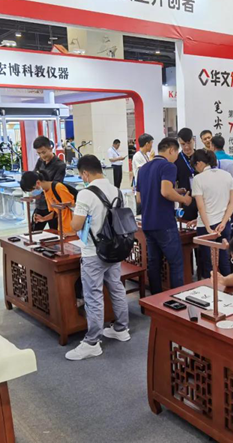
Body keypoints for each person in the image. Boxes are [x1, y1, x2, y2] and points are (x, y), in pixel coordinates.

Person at [66, 155, 130, 361]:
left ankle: (92, 342)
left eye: (81, 175)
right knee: (116, 287)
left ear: (85, 173)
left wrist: (74, 215)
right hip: (115, 249)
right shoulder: (117, 190)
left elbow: (76, 225)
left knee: (93, 295)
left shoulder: (85, 194)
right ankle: (121, 329)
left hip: (93, 252)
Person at [137, 137, 192, 294]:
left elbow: (139, 198)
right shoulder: (168, 166)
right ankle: (177, 299)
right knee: (175, 263)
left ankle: (156, 299)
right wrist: (184, 199)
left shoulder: (143, 168)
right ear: (171, 150)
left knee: (154, 263)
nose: (176, 158)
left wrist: (175, 192)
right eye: (177, 153)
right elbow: (165, 191)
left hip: (147, 222)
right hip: (164, 223)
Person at [191, 149, 233, 278]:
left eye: (195, 165)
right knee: (224, 259)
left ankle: (209, 287)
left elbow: (201, 206)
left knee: (208, 263)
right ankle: (228, 287)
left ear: (199, 163)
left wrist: (207, 228)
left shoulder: (198, 179)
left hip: (206, 226)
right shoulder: (227, 175)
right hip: (224, 225)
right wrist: (223, 222)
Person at [32, 136, 66, 231]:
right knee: (34, 232)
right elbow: (34, 176)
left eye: (44, 152)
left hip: (53, 205)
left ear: (50, 149)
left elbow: (56, 185)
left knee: (55, 233)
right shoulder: (40, 161)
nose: (42, 156)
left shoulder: (60, 165)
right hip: (40, 204)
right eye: (39, 153)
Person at [174, 128, 198, 221]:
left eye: (189, 143)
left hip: (203, 199)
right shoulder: (176, 159)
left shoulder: (201, 156)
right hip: (186, 200)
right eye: (183, 144)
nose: (187, 147)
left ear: (193, 140)